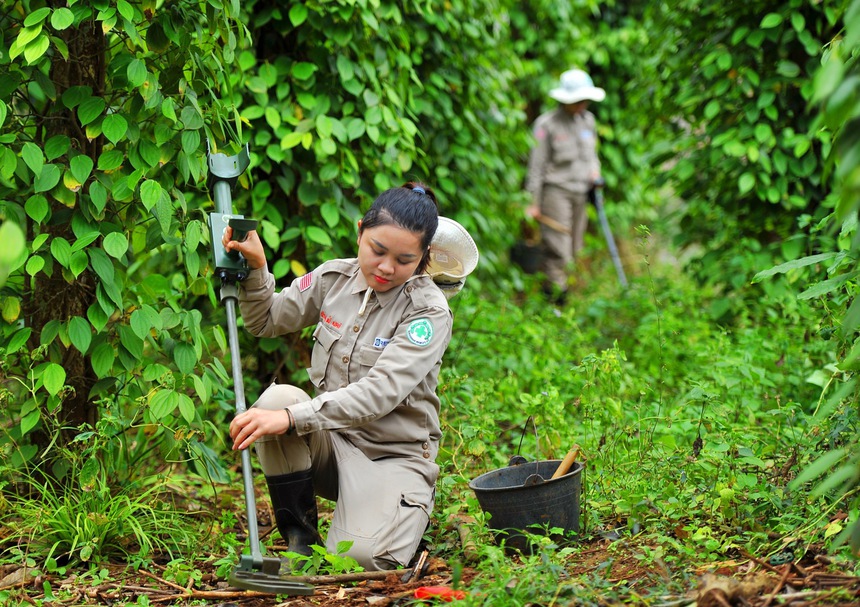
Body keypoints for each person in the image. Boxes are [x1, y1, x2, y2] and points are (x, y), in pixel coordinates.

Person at [222, 182, 478, 572]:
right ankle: (299, 543)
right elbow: (267, 319)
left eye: (405, 259)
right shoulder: (334, 279)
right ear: (360, 231)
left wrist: (294, 418)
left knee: (359, 562)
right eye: (377, 250)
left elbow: (380, 393)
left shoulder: (428, 312)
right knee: (276, 401)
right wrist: (257, 269)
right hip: (334, 448)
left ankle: (400, 507)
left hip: (394, 458)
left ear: (424, 258)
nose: (386, 267)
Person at [525, 68, 605, 302]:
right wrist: (533, 202)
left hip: (581, 193)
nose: (582, 105)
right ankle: (555, 303)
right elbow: (536, 166)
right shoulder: (546, 125)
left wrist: (595, 173)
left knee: (575, 249)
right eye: (577, 100)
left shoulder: (588, 121)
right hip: (555, 193)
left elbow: (592, 156)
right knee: (559, 251)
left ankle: (563, 298)